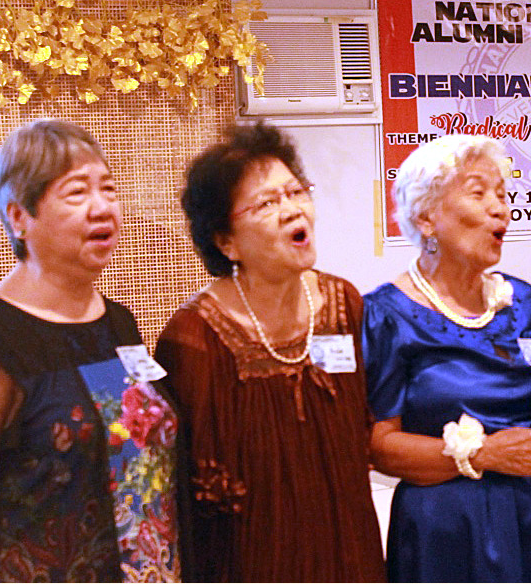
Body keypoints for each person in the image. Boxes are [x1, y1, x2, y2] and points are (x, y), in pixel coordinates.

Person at [0, 119, 183, 582]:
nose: (102, 207)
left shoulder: (118, 322)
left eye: (108, 189)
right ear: (18, 216)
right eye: (76, 193)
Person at [155, 122, 385, 582]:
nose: (291, 209)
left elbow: (369, 424)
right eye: (267, 203)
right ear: (226, 242)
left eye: (296, 192)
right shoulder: (195, 338)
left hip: (349, 548)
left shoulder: (345, 304)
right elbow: (182, 484)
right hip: (252, 558)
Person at [362, 134, 531, 582]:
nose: (500, 208)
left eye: (503, 195)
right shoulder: (385, 318)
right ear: (426, 216)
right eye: (478, 193)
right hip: (450, 532)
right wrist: (485, 454)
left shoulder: (530, 306)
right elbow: (378, 446)